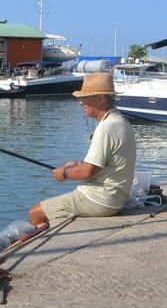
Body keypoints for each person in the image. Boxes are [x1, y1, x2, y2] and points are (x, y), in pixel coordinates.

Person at [28, 72, 136, 227]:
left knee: (35, 212)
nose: (80, 102)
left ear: (100, 98)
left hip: (101, 198)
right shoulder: (119, 120)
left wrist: (64, 173)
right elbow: (104, 165)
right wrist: (78, 164)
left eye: (85, 97)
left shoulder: (107, 127)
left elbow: (88, 172)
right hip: (115, 197)